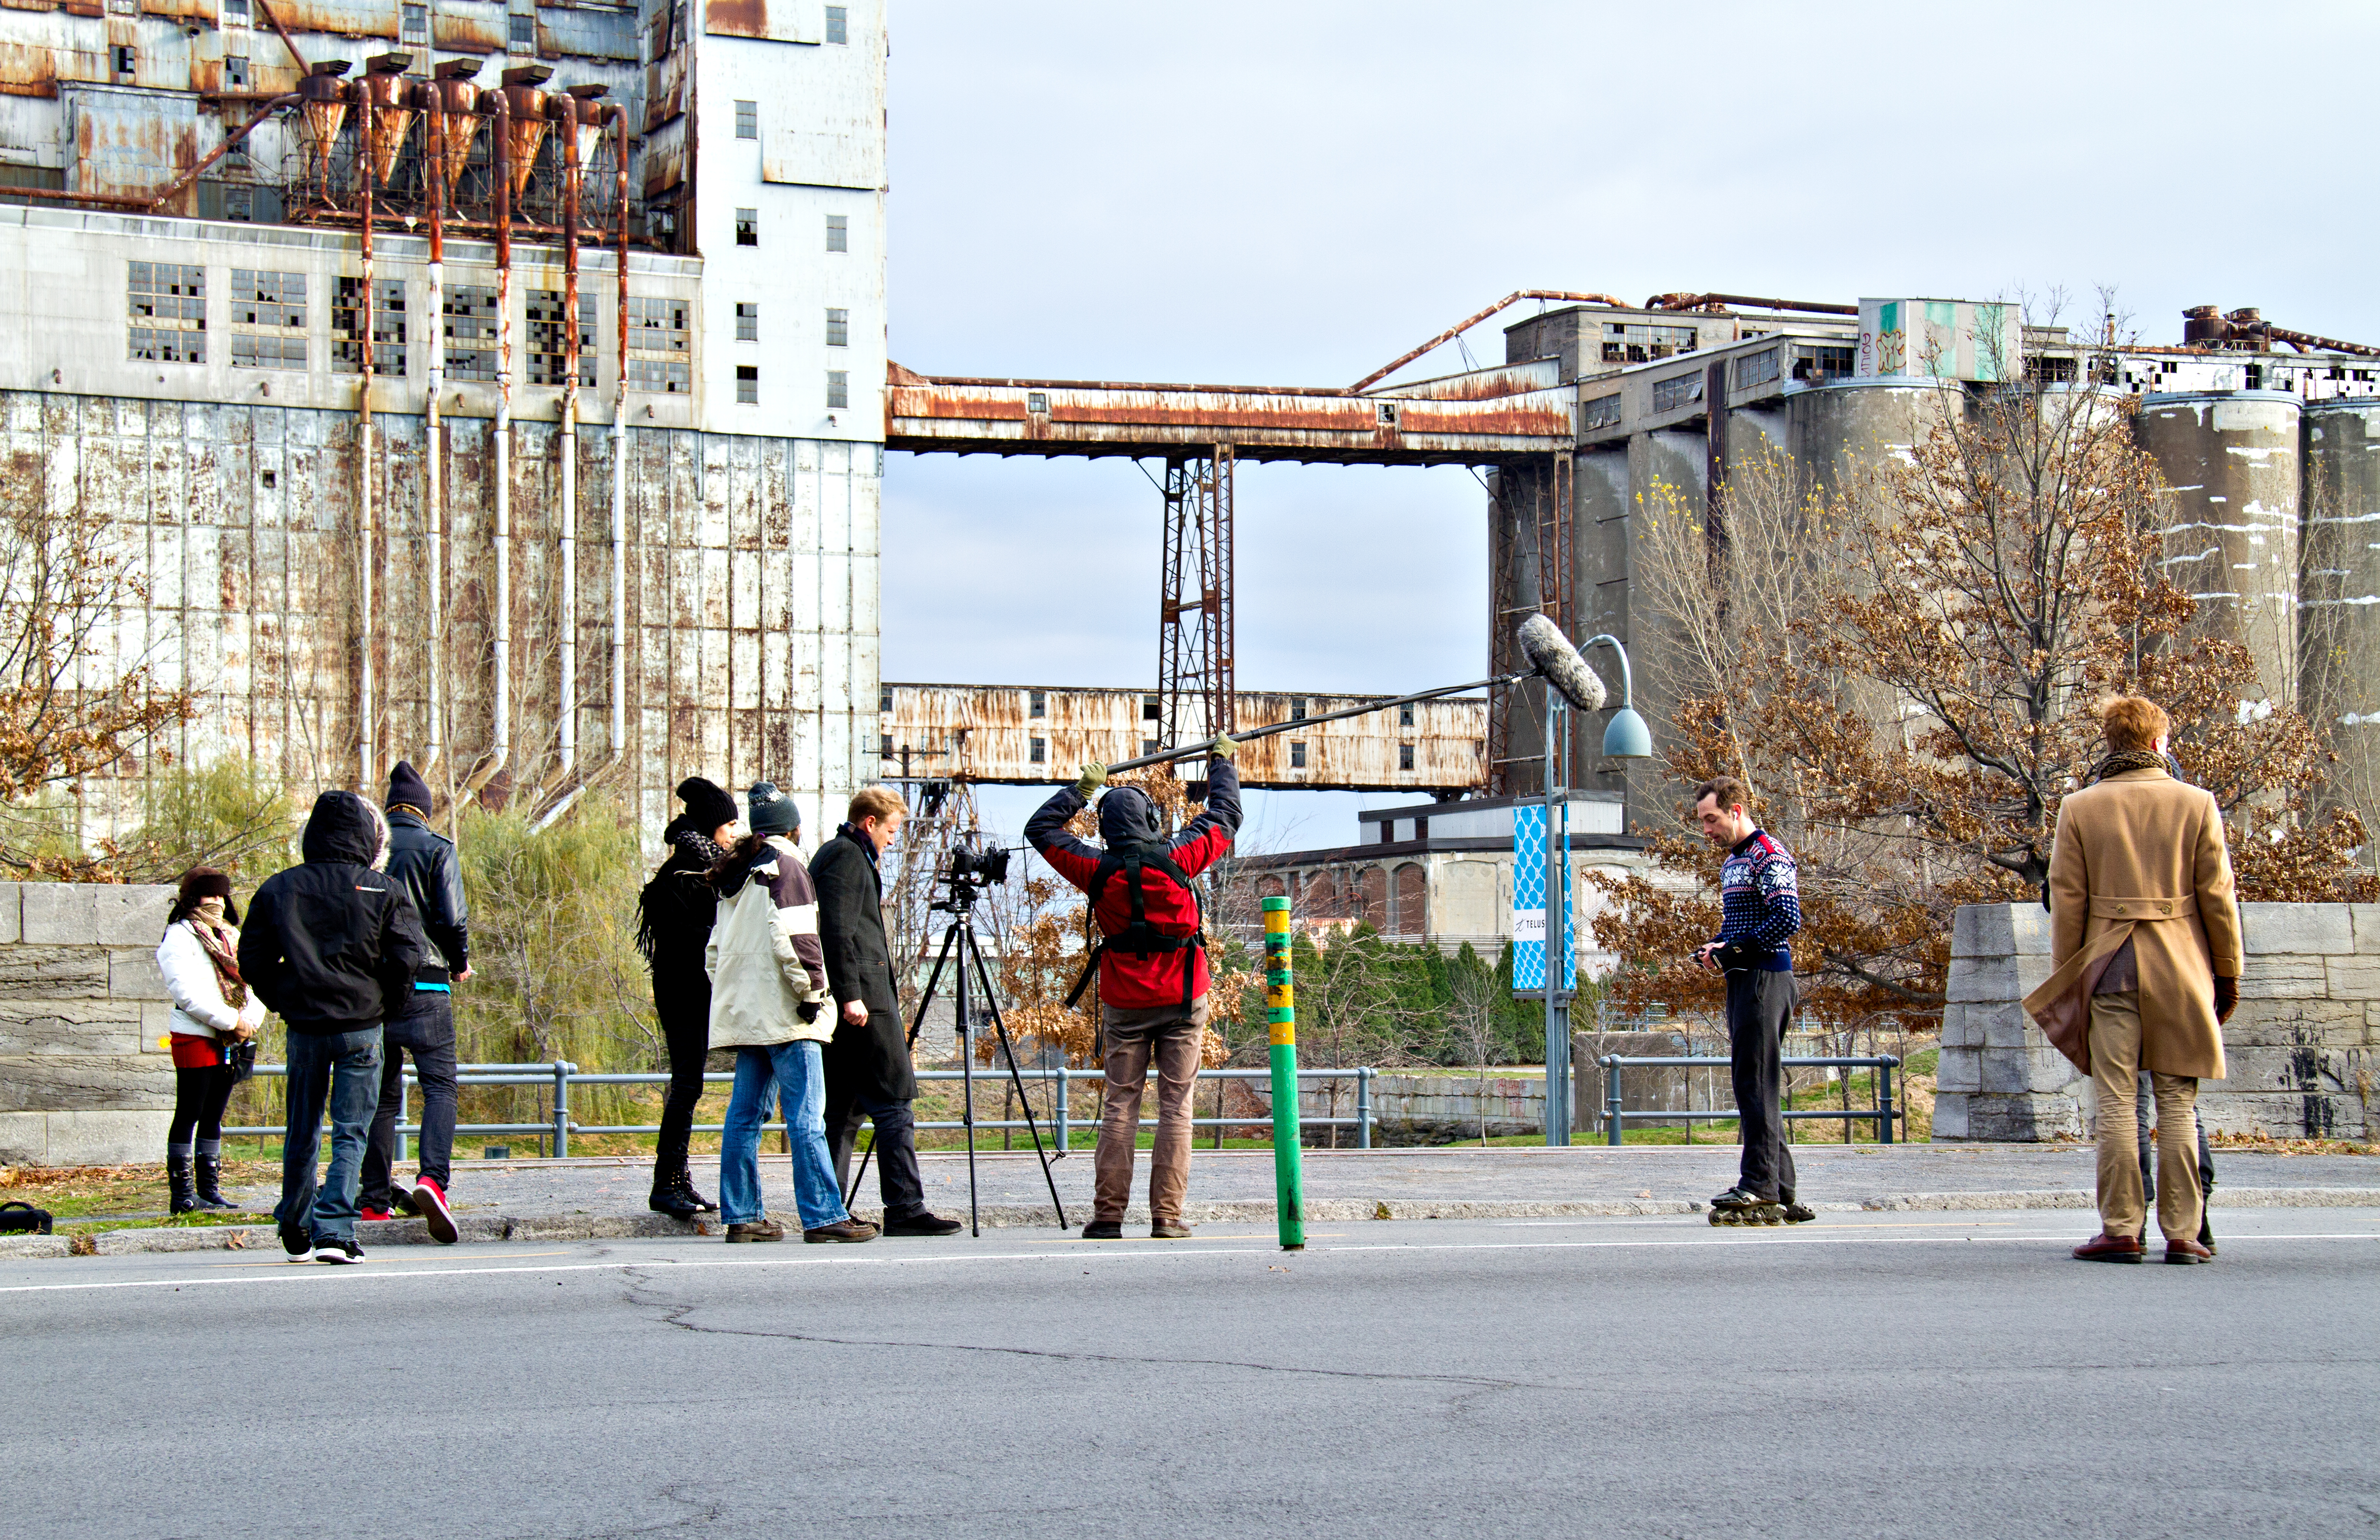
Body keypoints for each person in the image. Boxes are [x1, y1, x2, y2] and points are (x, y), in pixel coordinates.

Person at [2024, 696, 2240, 1265]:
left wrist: (2068, 976)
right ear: (2154, 744)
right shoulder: (2197, 804)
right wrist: (2228, 972)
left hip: (2108, 969)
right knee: (2177, 1103)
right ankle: (2184, 1233)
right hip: (2182, 969)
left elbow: (2068, 901)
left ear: (2112, 743)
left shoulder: (2080, 807)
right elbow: (2218, 898)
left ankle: (2121, 1227)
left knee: (2118, 1102)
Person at [1026, 740, 1241, 1241]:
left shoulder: (1094, 869)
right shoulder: (1182, 855)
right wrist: (1221, 764)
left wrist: (1080, 791)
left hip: (1125, 1000)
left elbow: (1040, 829)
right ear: (1150, 821)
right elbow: (1225, 813)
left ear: (1105, 827)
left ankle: (1108, 1216)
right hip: (1185, 997)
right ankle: (1166, 1216)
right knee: (1176, 1106)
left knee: (1120, 1104)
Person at [240, 791, 428, 1265]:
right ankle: (336, 1231)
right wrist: (385, 1004)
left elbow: (253, 960)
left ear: (312, 835)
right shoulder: (384, 889)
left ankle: (297, 1226)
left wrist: (284, 998)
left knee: (301, 1127)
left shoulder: (280, 888)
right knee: (351, 1130)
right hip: (362, 1024)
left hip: (305, 1024)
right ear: (368, 838)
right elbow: (408, 956)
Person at [705, 783, 875, 1244]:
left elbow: (714, 954)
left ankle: (743, 1217)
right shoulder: (787, 866)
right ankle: (823, 1217)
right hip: (789, 1013)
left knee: (744, 1118)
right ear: (794, 829)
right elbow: (798, 939)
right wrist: (815, 994)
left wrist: (738, 999)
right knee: (806, 1117)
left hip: (751, 1015)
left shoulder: (736, 872)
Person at [812, 786, 960, 1237]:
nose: (894, 841)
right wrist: (850, 994)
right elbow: (836, 930)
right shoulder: (845, 856)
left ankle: (830, 1210)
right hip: (863, 1002)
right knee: (895, 1101)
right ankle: (905, 1208)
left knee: (844, 1106)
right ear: (870, 823)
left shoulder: (840, 853)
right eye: (892, 831)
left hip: (854, 998)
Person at [1689, 776, 1811, 1226]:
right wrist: (1717, 946)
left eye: (1712, 819)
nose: (1707, 829)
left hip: (1766, 979)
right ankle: (1781, 1187)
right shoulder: (1734, 863)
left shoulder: (1769, 854)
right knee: (1753, 1082)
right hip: (1743, 978)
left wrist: (1735, 949)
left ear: (1736, 811)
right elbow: (1741, 925)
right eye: (1704, 821)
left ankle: (1759, 1185)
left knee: (1755, 1083)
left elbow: (1787, 916)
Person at [357, 762, 469, 1243]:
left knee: (381, 1097)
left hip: (377, 991)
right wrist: (459, 961)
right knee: (440, 1087)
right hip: (427, 986)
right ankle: (432, 1182)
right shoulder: (437, 848)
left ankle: (374, 1201)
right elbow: (451, 917)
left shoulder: (369, 855)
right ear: (424, 811)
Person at [638, 777, 739, 1218]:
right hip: (683, 992)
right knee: (686, 1085)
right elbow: (686, 942)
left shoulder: (706, 868)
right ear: (712, 827)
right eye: (730, 824)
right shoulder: (681, 875)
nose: (734, 833)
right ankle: (667, 1183)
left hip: (691, 990)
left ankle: (677, 1179)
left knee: (690, 1085)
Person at [156, 868, 266, 1215]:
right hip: (196, 1033)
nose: (216, 902)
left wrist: (248, 1023)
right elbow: (185, 992)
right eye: (208, 895)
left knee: (214, 1115)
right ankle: (183, 1194)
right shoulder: (180, 935)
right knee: (189, 1110)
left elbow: (253, 983)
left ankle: (210, 1190)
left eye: (221, 895)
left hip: (234, 1038)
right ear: (192, 898)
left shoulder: (232, 936)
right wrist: (230, 1021)